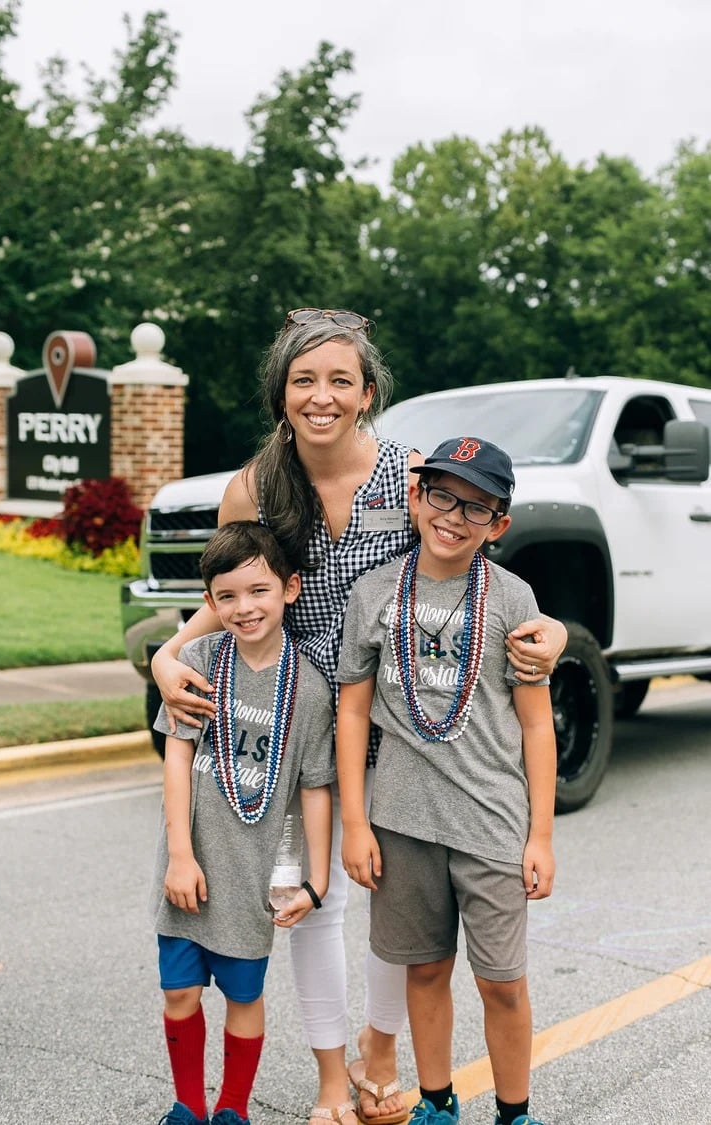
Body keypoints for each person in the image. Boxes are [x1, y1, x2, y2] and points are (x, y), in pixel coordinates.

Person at [151, 308, 567, 1125]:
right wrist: (170, 655)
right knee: (308, 898)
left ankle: (383, 1048)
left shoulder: (410, 475)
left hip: (404, 730)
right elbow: (232, 589)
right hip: (299, 721)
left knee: (387, 903)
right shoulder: (256, 486)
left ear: (368, 392)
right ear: (282, 392)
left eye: (341, 379)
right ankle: (333, 1078)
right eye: (304, 379)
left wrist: (549, 629)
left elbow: (470, 568)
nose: (322, 395)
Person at [335, 436, 557, 1125]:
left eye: (477, 507)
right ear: (415, 495)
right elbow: (352, 706)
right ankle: (436, 1102)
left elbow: (536, 725)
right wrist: (354, 821)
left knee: (502, 982)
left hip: (491, 822)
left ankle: (515, 1112)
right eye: (442, 495)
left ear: (499, 524)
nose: (454, 516)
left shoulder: (514, 600)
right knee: (424, 970)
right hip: (402, 821)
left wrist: (541, 835)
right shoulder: (374, 591)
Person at [150, 521, 335, 1125]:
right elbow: (177, 759)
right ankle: (188, 1105)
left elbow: (313, 788)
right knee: (179, 992)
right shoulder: (198, 661)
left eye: (258, 591)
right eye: (225, 596)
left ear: (290, 588)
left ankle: (232, 1109)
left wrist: (317, 879)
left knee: (243, 995)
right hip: (189, 865)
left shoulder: (309, 689)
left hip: (253, 873)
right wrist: (180, 853)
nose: (243, 607)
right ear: (209, 602)